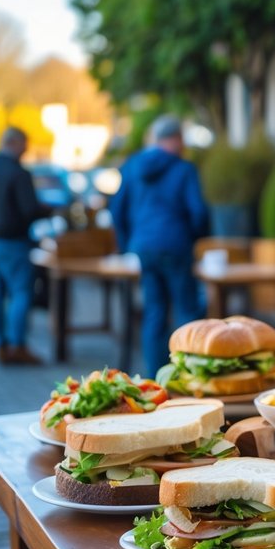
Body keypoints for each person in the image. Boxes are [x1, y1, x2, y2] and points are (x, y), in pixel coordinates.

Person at [111, 115, 209, 378]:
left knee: (154, 311)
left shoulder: (132, 166)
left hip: (144, 247)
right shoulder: (184, 169)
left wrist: (126, 244)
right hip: (176, 246)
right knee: (187, 311)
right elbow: (198, 212)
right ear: (175, 139)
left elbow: (117, 209)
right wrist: (193, 238)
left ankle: (156, 378)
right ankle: (191, 376)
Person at [0, 127, 48, 365]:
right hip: (12, 242)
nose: (26, 150)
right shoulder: (18, 172)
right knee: (21, 292)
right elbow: (29, 209)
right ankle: (17, 345)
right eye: (24, 145)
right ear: (14, 143)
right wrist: (47, 209)